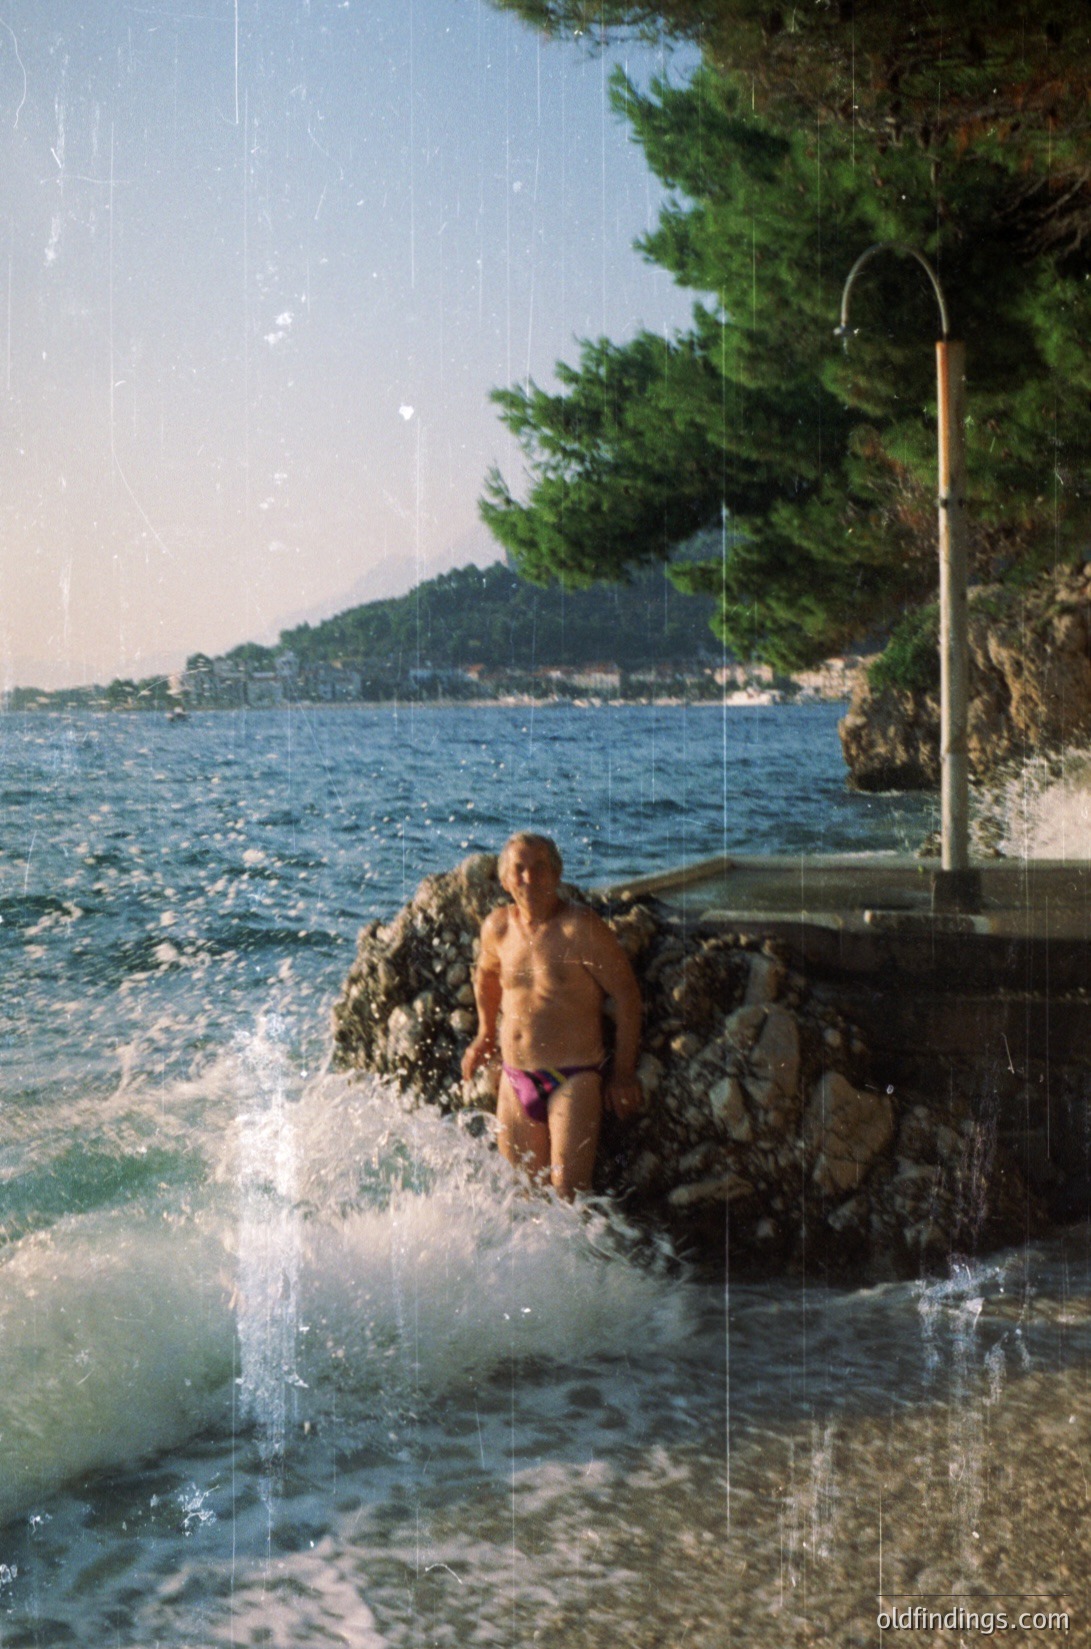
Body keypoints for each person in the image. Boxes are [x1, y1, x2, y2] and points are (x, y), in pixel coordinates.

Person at [460, 831, 643, 1199]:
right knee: (524, 1195)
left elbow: (626, 996)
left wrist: (623, 1073)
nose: (529, 878)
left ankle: (589, 1258)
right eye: (520, 869)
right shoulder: (498, 927)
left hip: (573, 1077)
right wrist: (483, 1034)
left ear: (557, 874)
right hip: (515, 1079)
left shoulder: (581, 928)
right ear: (505, 879)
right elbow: (486, 977)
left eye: (540, 868)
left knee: (569, 1194)